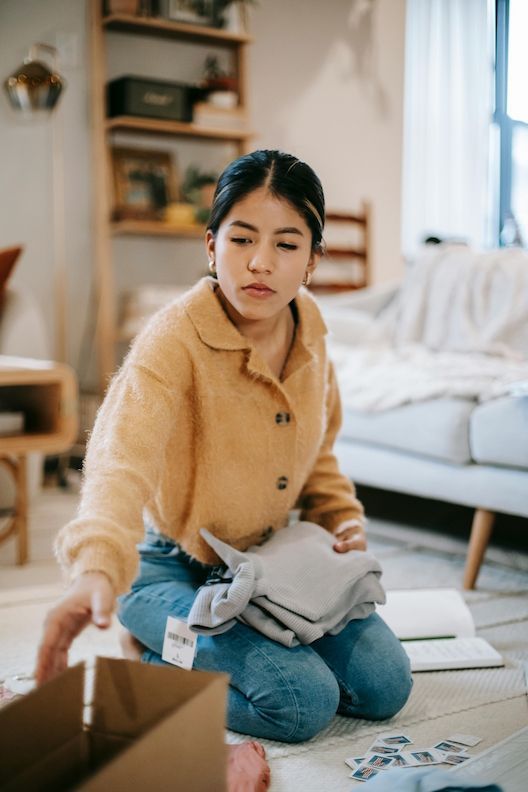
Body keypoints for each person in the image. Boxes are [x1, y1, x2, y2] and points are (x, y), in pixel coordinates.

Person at [36, 150, 412, 785]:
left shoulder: (312, 330)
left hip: (271, 568)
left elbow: (319, 452)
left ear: (311, 261)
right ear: (212, 247)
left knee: (384, 685)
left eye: (287, 244)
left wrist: (339, 519)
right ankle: (148, 657)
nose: (261, 262)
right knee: (301, 702)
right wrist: (96, 565)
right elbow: (118, 462)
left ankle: (201, 653)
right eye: (242, 239)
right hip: (168, 568)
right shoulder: (173, 337)